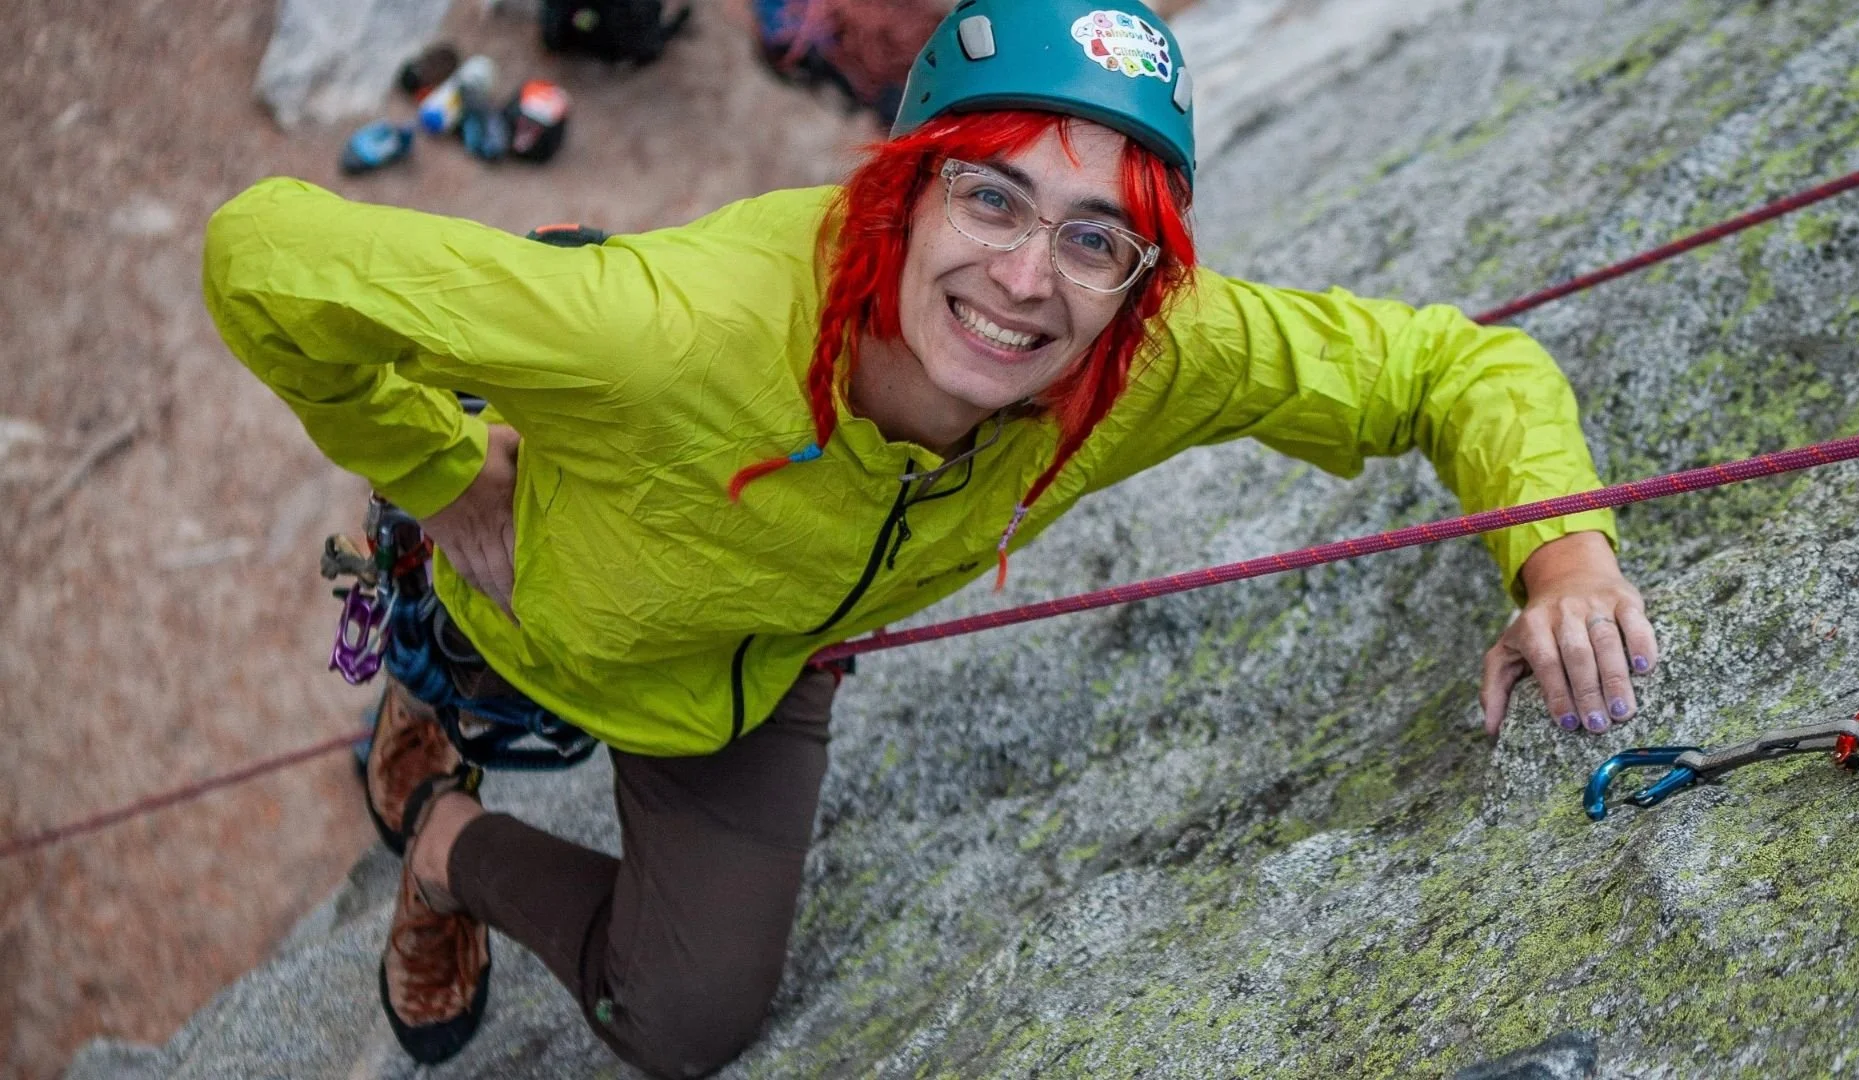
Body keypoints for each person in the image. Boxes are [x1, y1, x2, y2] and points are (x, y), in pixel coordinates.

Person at [201, 0, 1658, 1072]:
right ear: (902, 189)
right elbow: (264, 249)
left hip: (759, 676)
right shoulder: (668, 331)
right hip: (536, 590)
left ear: (1140, 275)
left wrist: (1563, 556)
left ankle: (445, 845)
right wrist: (440, 475)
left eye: (1095, 237)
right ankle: (431, 701)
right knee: (465, 647)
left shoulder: (1141, 349)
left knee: (686, 1024)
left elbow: (1458, 368)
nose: (1028, 279)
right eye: (991, 195)